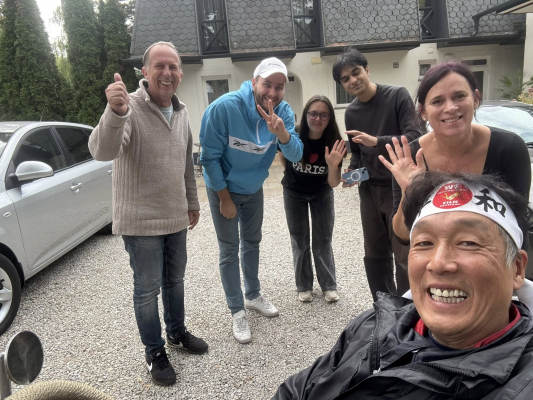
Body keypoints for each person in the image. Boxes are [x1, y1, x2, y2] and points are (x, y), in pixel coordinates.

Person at [273, 171, 533, 399]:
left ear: (517, 269)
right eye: (424, 243)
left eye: (468, 242)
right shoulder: (373, 324)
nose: (438, 263)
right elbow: (298, 389)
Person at [88, 41, 207, 386]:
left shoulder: (182, 112)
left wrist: (192, 202)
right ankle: (154, 352)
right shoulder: (129, 107)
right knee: (147, 290)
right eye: (160, 66)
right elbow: (101, 150)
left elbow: (185, 164)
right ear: (145, 71)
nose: (167, 73)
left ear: (180, 74)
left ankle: (176, 332)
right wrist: (115, 113)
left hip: (175, 216)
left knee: (175, 281)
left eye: (173, 67)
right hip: (141, 222)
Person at [199, 57, 303, 344]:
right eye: (267, 84)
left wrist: (281, 133)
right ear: (254, 82)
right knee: (229, 248)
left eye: (279, 87)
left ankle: (253, 294)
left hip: (254, 188)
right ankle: (236, 310)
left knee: (252, 242)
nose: (273, 92)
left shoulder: (283, 112)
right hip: (223, 187)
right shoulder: (224, 108)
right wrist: (224, 198)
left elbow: (296, 154)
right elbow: (208, 159)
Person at [381, 61, 531, 243]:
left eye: (459, 96)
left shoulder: (509, 148)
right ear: (423, 111)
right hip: (435, 257)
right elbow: (403, 236)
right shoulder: (410, 157)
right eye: (437, 101)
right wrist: (409, 193)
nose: (450, 108)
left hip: (489, 254)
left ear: (475, 99)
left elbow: (517, 226)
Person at [332, 47, 421, 301]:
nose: (352, 80)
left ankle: (408, 308)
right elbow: (358, 152)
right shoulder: (351, 112)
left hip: (401, 187)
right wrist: (352, 173)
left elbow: (416, 136)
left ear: (367, 70)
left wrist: (377, 141)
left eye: (355, 72)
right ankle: (383, 306)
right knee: (374, 254)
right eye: (345, 79)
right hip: (369, 191)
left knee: (404, 253)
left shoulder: (397, 96)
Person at [278, 95, 346, 303]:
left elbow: (333, 183)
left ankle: (328, 286)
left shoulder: (335, 142)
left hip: (322, 193)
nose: (318, 118)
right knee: (299, 239)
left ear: (330, 117)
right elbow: (283, 156)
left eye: (324, 115)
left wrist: (333, 166)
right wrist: (294, 175)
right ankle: (304, 286)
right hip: (294, 192)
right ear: (306, 114)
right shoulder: (294, 134)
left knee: (323, 240)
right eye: (313, 113)